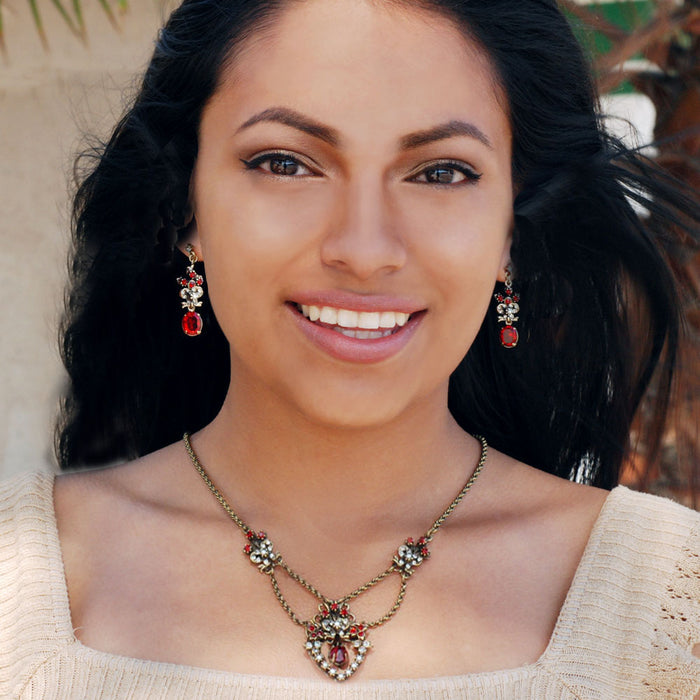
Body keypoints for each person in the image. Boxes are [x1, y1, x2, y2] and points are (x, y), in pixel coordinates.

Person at [1, 0, 698, 697]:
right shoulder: (20, 584)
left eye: (441, 172)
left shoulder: (670, 604)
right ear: (184, 210)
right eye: (286, 163)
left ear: (512, 232)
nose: (364, 250)